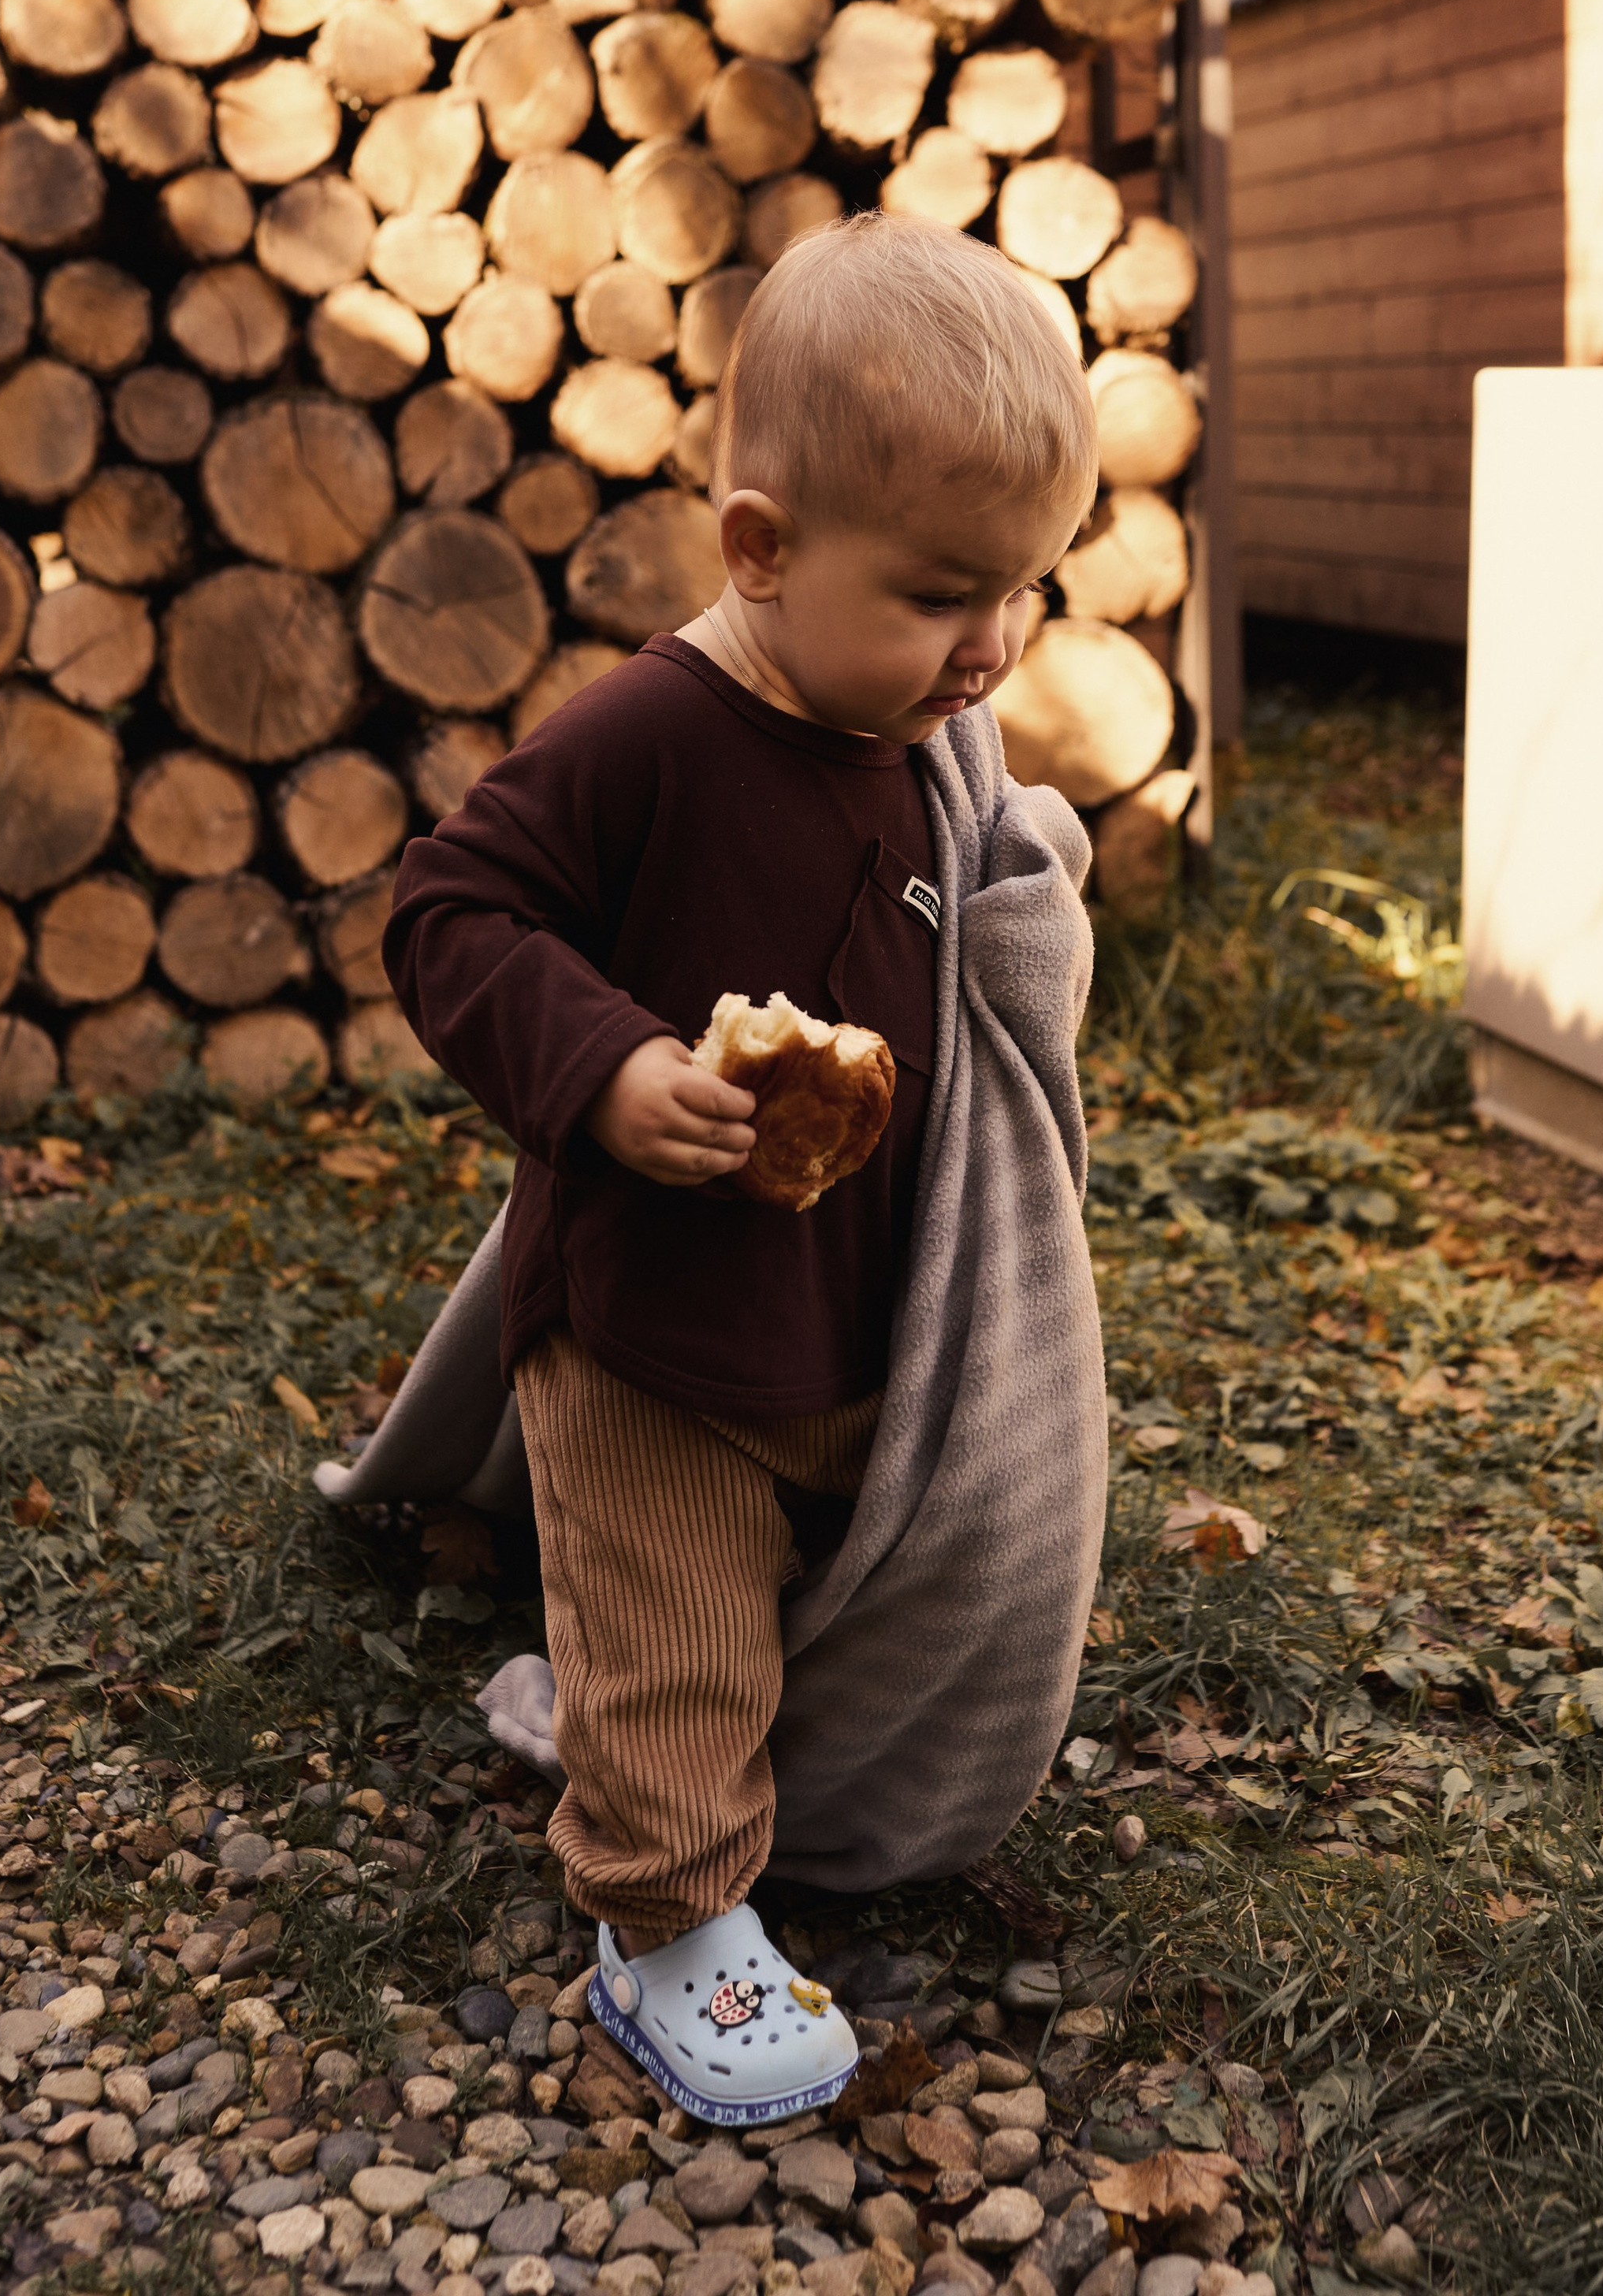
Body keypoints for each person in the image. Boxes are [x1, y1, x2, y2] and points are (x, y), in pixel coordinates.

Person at [383, 213, 1103, 2127]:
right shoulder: (652, 738)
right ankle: (669, 1919)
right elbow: (450, 912)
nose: (993, 649)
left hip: (863, 1316)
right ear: (761, 552)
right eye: (947, 593)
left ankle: (801, 1775)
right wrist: (607, 1067)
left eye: (1020, 592)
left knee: (859, 1586)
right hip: (656, 1331)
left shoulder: (915, 736)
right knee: (685, 1613)